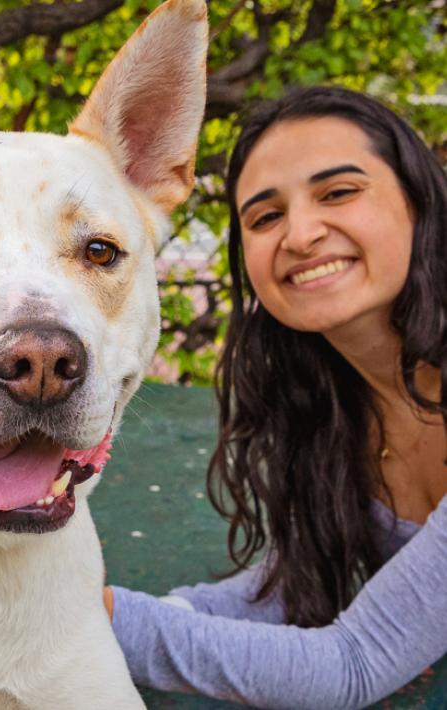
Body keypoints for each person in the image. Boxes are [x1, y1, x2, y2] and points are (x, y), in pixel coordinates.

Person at [103, 86, 447, 709]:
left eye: (338, 192)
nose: (302, 234)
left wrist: (78, 619)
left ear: (419, 204)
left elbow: (352, 665)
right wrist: (146, 612)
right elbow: (286, 586)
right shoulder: (339, 405)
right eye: (265, 216)